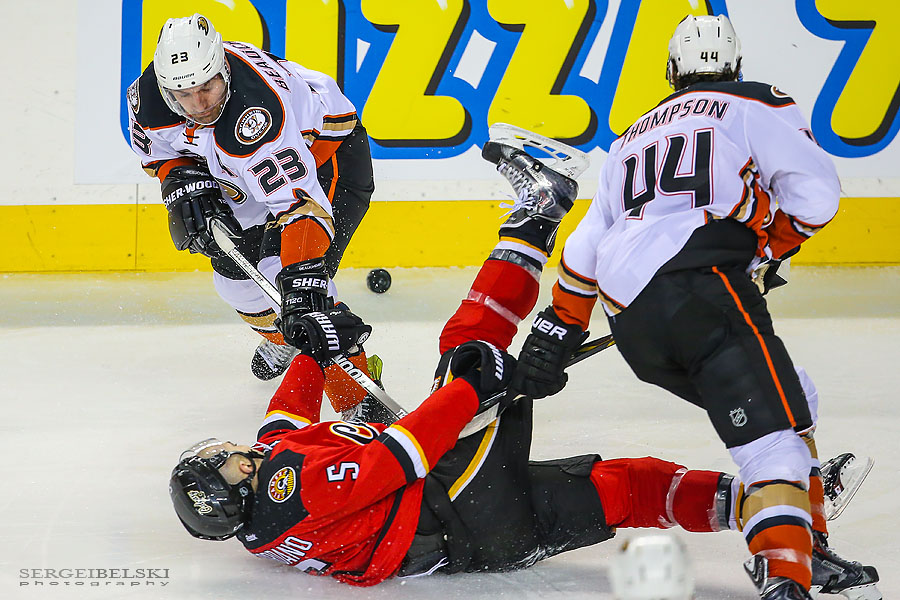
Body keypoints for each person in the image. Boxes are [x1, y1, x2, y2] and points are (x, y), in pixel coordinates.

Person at [168, 138, 870, 594]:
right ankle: (539, 209)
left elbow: (284, 418)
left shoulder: (263, 508)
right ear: (233, 490)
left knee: (620, 488)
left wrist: (310, 349)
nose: (230, 452)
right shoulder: (291, 487)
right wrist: (470, 389)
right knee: (469, 346)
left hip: (476, 542)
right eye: (222, 464)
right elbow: (401, 456)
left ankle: (775, 517)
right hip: (449, 495)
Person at [510, 14, 880, 600]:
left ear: (672, 70)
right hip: (701, 285)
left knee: (794, 393)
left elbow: (585, 248)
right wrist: (767, 247)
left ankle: (811, 543)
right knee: (774, 442)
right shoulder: (756, 102)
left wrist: (557, 329)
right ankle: (786, 575)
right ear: (733, 68)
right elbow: (816, 194)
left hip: (632, 321)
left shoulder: (631, 135)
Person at [126, 13, 377, 416]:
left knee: (304, 292)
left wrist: (301, 283)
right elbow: (160, 155)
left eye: (207, 87)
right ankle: (284, 342)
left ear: (223, 68)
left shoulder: (255, 116)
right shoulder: (148, 99)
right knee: (233, 275)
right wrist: (179, 180)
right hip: (243, 170)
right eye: (185, 95)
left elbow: (300, 207)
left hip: (326, 155)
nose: (199, 104)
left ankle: (358, 402)